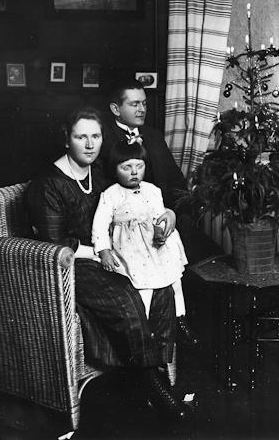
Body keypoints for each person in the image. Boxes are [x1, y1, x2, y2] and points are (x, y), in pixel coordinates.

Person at [26, 107, 188, 420]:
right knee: (125, 296)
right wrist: (101, 252)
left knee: (161, 287)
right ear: (66, 139)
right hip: (71, 265)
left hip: (115, 254)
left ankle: (157, 377)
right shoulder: (48, 184)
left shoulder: (101, 174)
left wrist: (167, 214)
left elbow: (137, 201)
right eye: (81, 137)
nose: (90, 144)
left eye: (96, 136)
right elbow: (55, 243)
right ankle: (155, 388)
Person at [99, 78, 224, 263]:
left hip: (167, 218)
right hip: (130, 227)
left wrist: (173, 213)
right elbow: (108, 195)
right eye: (134, 104)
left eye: (144, 103)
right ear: (116, 109)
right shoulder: (104, 142)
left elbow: (176, 181)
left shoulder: (154, 136)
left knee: (212, 257)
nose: (142, 109)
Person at [92, 140, 189, 332]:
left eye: (139, 166)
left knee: (174, 280)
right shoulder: (111, 195)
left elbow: (159, 216)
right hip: (132, 249)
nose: (134, 172)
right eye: (126, 167)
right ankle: (144, 326)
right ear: (115, 170)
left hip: (157, 247)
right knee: (144, 287)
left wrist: (162, 231)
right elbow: (100, 225)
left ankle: (181, 319)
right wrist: (104, 251)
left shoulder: (152, 190)